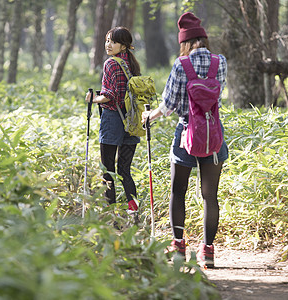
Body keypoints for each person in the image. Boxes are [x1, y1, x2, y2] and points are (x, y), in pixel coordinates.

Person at [141, 12, 228, 268]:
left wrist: (150, 115)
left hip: (186, 135)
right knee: (209, 195)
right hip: (213, 135)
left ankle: (179, 247)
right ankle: (208, 252)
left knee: (178, 191)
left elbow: (168, 105)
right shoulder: (219, 62)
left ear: (185, 42)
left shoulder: (182, 64)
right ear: (203, 38)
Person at [85, 27, 141, 219]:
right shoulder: (132, 65)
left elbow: (109, 96)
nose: (108, 45)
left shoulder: (111, 63)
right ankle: (134, 212)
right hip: (131, 120)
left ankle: (113, 216)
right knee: (125, 170)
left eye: (113, 42)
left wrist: (93, 98)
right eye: (107, 40)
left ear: (123, 45)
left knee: (107, 170)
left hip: (112, 120)